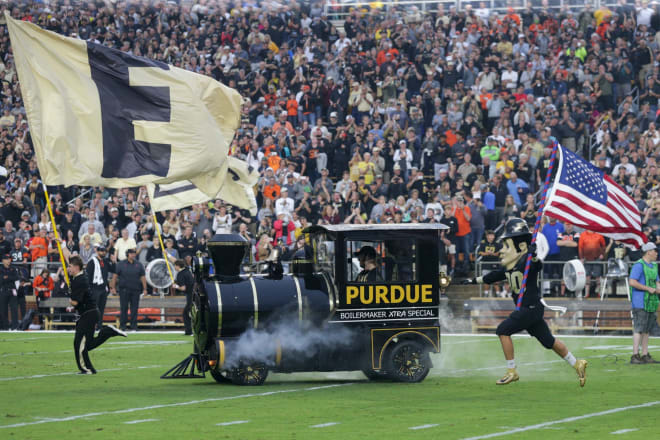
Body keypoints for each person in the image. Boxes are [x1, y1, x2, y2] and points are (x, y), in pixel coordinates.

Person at [468, 218, 587, 386]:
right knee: (549, 342)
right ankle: (577, 363)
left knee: (503, 330)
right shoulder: (511, 264)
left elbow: (536, 266)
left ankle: (511, 370)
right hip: (531, 309)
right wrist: (472, 281)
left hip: (529, 307)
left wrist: (534, 255)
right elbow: (492, 277)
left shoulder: (528, 260)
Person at [67, 255, 126, 374]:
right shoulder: (80, 276)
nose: (68, 269)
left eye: (70, 266)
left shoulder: (79, 280)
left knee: (79, 343)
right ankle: (108, 331)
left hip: (88, 314)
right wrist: (62, 245)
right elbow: (69, 256)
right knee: (87, 344)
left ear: (77, 267)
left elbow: (75, 302)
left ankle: (86, 368)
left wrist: (69, 298)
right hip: (91, 313)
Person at [628, 242, 660, 364]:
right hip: (640, 302)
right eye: (655, 251)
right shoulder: (638, 265)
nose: (656, 253)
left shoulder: (653, 266)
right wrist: (648, 288)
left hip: (651, 302)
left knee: (646, 329)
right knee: (639, 328)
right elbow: (632, 282)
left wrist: (657, 288)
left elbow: (657, 282)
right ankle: (635, 355)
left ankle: (645, 354)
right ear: (648, 252)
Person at [112, 248, 147, 331]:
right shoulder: (121, 264)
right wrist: (113, 287)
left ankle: (134, 325)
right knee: (123, 308)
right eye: (131, 253)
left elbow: (143, 277)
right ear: (127, 254)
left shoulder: (139, 264)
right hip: (124, 289)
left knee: (134, 308)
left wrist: (145, 288)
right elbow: (115, 276)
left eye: (134, 253)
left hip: (136, 289)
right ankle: (123, 325)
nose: (133, 255)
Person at [86, 245, 112, 329]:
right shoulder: (92, 262)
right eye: (101, 251)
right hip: (94, 288)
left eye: (104, 251)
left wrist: (114, 261)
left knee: (101, 308)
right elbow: (88, 276)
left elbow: (113, 270)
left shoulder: (106, 261)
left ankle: (99, 325)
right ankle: (92, 325)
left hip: (103, 288)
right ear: (97, 251)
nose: (103, 252)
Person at [172, 259, 194, 335]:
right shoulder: (187, 270)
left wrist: (176, 286)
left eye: (175, 266)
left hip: (190, 295)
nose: (174, 267)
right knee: (190, 313)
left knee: (186, 313)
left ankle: (188, 331)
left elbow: (183, 288)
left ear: (178, 266)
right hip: (195, 294)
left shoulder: (180, 274)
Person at [0, 254, 19, 330]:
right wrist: (9, 278)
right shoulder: (0, 269)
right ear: (3, 260)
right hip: (3, 291)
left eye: (9, 259)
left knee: (14, 309)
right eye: (7, 259)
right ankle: (5, 327)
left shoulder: (13, 268)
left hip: (12, 291)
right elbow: (1, 280)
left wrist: (6, 277)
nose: (8, 261)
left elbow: (16, 277)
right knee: (3, 310)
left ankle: (15, 327)